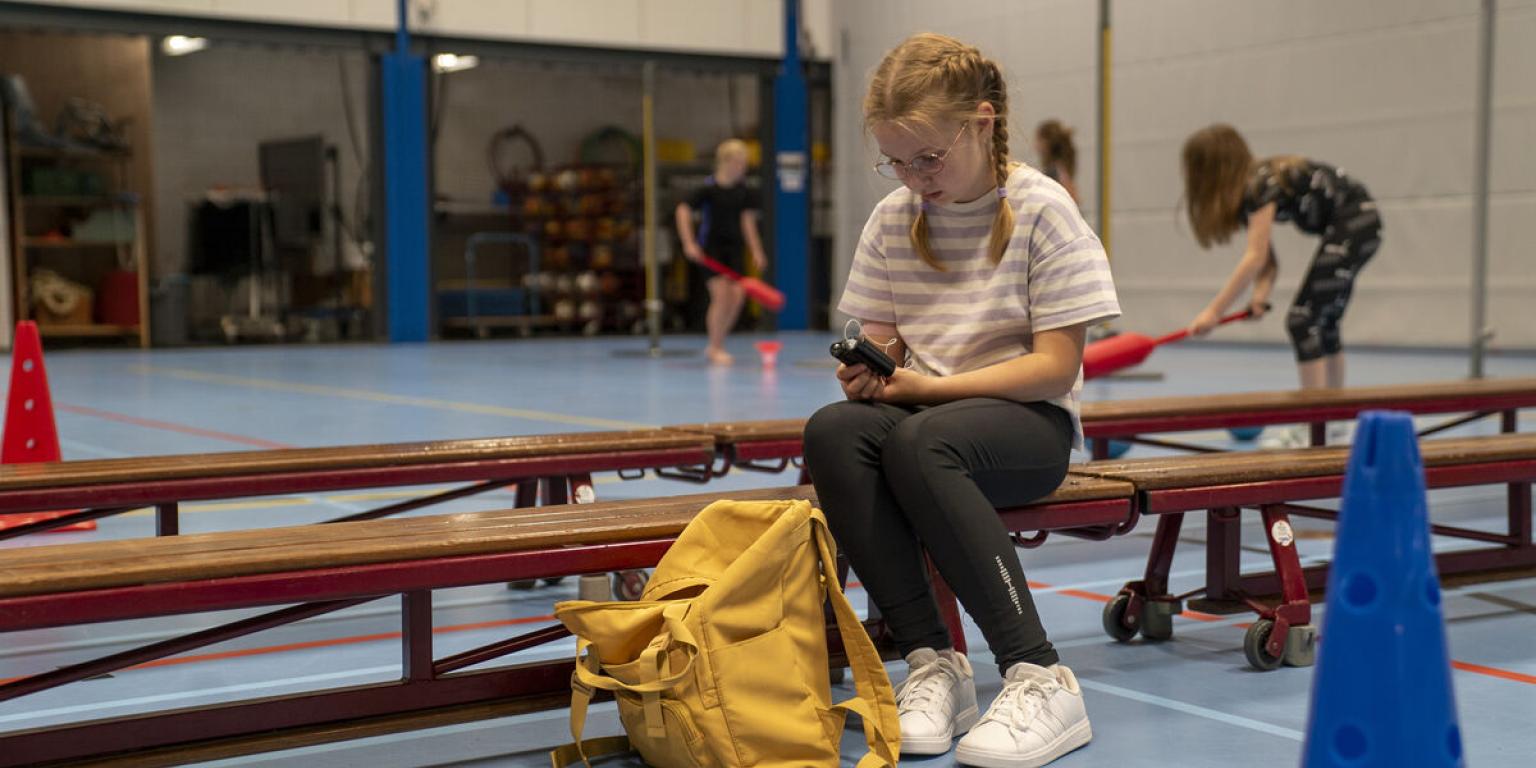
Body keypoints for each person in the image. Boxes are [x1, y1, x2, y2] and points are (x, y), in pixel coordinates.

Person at [803, 33, 1120, 768]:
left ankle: (1039, 675)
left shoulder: (1044, 210)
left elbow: (1054, 369)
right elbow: (882, 338)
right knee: (834, 431)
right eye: (896, 162)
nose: (914, 179)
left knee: (922, 442)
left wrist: (930, 390)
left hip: (1026, 427)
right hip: (928, 418)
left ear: (981, 124)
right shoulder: (894, 218)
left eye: (928, 159)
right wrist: (872, 371)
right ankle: (933, 663)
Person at [1181, 124, 1382, 448]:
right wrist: (1259, 297)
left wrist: (1214, 312)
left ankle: (1315, 426)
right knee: (1324, 322)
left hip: (1357, 222)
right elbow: (1269, 262)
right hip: (1361, 223)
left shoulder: (1259, 185)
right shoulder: (1256, 187)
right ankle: (1335, 423)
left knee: (1303, 320)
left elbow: (1254, 257)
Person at [674, 139, 767, 365]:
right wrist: (689, 243)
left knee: (737, 296)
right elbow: (682, 210)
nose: (742, 168)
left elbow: (747, 222)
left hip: (734, 248)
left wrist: (756, 250)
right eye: (738, 163)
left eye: (744, 164)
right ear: (725, 162)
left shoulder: (743, 191)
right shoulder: (708, 189)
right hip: (711, 248)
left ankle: (718, 342)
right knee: (721, 295)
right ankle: (715, 347)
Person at [1033, 119, 1079, 203]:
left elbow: (1073, 198)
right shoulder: (1058, 168)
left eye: (1038, 140)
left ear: (1046, 142)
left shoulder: (1054, 171)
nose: (1035, 145)